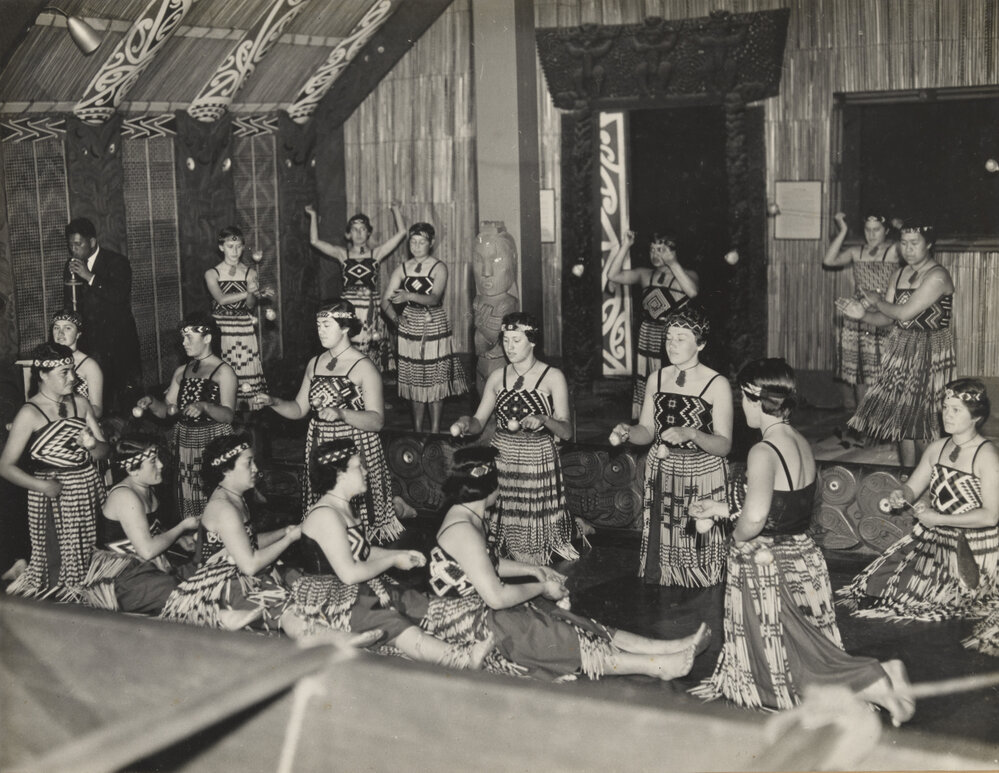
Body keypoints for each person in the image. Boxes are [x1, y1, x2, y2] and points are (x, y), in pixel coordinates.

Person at [688, 358, 914, 726]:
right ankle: (877, 674)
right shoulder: (799, 441)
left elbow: (757, 518)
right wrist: (721, 507)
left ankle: (872, 681)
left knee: (787, 666)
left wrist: (733, 534)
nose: (741, 406)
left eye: (742, 399)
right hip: (801, 556)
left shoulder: (762, 451)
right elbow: (783, 504)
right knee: (806, 644)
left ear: (754, 397)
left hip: (767, 563)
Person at [421, 446, 711, 681]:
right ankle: (656, 666)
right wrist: (541, 586)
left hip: (476, 609)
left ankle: (667, 648)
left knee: (571, 620)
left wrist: (532, 570)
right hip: (465, 622)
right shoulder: (464, 529)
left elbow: (486, 565)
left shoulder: (467, 517)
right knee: (551, 634)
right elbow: (496, 597)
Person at [288, 440, 493, 669]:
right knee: (389, 620)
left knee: (413, 602)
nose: (366, 471)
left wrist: (401, 553)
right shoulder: (325, 515)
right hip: (329, 596)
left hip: (355, 585)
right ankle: (460, 659)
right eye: (359, 466)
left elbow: (362, 552)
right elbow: (349, 573)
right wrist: (392, 559)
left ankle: (464, 632)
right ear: (340, 474)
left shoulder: (345, 508)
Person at [838, 379, 998, 621]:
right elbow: (912, 487)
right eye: (945, 407)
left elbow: (991, 515)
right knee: (875, 584)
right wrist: (902, 494)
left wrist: (939, 518)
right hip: (937, 537)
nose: (947, 415)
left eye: (956, 410)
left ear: (975, 417)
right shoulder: (937, 448)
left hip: (972, 545)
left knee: (913, 595)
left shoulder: (986, 456)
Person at [253, 300, 404, 542]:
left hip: (355, 448)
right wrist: (273, 402)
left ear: (344, 328)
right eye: (318, 325)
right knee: (327, 520)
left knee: (357, 519)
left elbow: (377, 421)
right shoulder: (315, 364)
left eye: (326, 324)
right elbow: (300, 409)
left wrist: (342, 413)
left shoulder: (363, 367)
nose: (320, 330)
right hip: (321, 447)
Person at [609, 304, 732, 587]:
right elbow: (648, 431)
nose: (671, 345)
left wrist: (691, 433)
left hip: (703, 474)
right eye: (669, 337)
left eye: (681, 339)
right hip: (664, 471)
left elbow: (724, 445)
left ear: (700, 344)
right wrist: (629, 432)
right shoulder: (657, 378)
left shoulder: (717, 383)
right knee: (663, 554)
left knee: (696, 554)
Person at [451, 312, 578, 565]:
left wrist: (544, 419)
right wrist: (465, 422)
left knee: (534, 531)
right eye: (506, 340)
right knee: (503, 515)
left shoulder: (552, 377)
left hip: (537, 459)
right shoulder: (498, 377)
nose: (509, 347)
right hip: (503, 456)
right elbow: (478, 423)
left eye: (516, 340)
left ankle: (552, 543)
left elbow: (566, 431)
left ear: (532, 341)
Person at [160, 435, 307, 632]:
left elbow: (247, 543)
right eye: (248, 463)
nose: (256, 469)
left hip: (235, 573)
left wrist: (283, 532)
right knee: (283, 607)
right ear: (226, 470)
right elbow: (250, 564)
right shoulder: (225, 507)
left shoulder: (234, 497)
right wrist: (289, 539)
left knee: (301, 583)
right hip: (222, 583)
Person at [0, 343, 108, 596]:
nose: (73, 378)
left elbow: (104, 452)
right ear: (43, 375)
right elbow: (5, 466)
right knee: (57, 566)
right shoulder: (30, 413)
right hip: (53, 499)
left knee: (89, 557)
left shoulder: (81, 404)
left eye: (72, 370)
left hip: (87, 491)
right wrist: (42, 486)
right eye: (64, 373)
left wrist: (92, 445)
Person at [844, 225, 955, 467]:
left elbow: (903, 313)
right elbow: (888, 320)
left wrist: (877, 300)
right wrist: (861, 315)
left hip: (929, 350)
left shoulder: (937, 276)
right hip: (901, 347)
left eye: (914, 243)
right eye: (904, 243)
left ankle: (925, 483)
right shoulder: (899, 274)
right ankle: (906, 478)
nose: (908, 249)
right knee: (903, 420)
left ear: (929, 244)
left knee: (923, 421)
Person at [81, 435, 200, 614]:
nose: (160, 464)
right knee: (173, 589)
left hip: (145, 566)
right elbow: (147, 550)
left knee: (200, 570)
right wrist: (182, 527)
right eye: (153, 461)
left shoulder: (147, 488)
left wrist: (179, 540)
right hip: (121, 577)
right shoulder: (125, 496)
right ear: (132, 470)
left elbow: (150, 528)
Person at [135, 313, 236, 521]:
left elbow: (228, 415)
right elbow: (168, 411)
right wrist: (152, 403)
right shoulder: (182, 371)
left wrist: (205, 406)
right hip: (185, 443)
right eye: (182, 337)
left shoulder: (223, 372)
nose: (184, 342)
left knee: (215, 495)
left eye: (189, 337)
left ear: (207, 338)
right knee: (189, 497)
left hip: (214, 441)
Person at [381, 222, 468, 433]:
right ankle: (418, 432)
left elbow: (434, 297)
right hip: (410, 327)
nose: (417, 246)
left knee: (435, 383)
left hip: (434, 326)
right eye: (413, 241)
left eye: (422, 242)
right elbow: (385, 301)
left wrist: (408, 295)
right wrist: (395, 318)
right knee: (415, 384)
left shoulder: (439, 267)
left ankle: (435, 432)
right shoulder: (402, 269)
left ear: (431, 243)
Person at [605, 230, 698, 419]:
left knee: (673, 381)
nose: (655, 255)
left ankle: (672, 420)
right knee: (647, 383)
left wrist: (673, 264)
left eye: (661, 250)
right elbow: (613, 275)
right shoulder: (645, 274)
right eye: (652, 250)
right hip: (648, 336)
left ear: (673, 251)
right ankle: (646, 423)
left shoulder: (688, 274)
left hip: (674, 338)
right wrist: (625, 246)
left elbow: (693, 292)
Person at [305, 204, 406, 370]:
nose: (359, 233)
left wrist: (395, 210)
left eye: (363, 229)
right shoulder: (342, 254)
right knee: (348, 342)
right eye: (354, 229)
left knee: (370, 343)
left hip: (370, 308)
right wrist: (313, 215)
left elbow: (402, 233)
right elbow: (314, 241)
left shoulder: (376, 254)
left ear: (368, 232)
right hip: (349, 307)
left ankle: (369, 378)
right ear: (348, 234)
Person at [823, 213, 899, 415]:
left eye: (877, 230)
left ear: (886, 231)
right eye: (867, 229)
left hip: (883, 314)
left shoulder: (894, 251)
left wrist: (901, 228)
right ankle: (863, 419)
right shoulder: (856, 251)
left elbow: (919, 254)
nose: (871, 234)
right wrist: (844, 230)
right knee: (859, 372)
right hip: (858, 314)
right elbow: (829, 260)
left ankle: (884, 419)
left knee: (884, 369)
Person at [63, 217, 141, 411]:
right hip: (90, 342)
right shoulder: (70, 266)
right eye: (71, 245)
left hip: (118, 341)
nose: (74, 250)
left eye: (78, 244)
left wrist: (89, 277)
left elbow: (118, 295)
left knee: (124, 399)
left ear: (92, 242)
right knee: (97, 396)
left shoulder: (117, 262)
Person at [205, 225, 269, 405]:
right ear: (221, 247)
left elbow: (249, 306)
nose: (235, 251)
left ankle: (247, 416)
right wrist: (249, 291)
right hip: (221, 330)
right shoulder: (212, 273)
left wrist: (252, 294)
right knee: (222, 372)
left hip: (243, 329)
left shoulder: (251, 273)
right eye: (230, 246)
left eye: (239, 246)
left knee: (245, 373)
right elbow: (221, 299)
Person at [51, 309, 104, 419]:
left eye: (67, 328)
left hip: (82, 425)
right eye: (56, 328)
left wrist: (72, 412)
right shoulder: (47, 361)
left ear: (78, 334)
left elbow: (98, 410)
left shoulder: (90, 366)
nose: (60, 333)